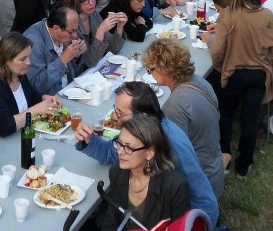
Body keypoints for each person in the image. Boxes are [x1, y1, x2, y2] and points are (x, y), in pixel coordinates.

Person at [73, 82, 218, 225]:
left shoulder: (170, 145)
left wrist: (200, 224)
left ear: (142, 117)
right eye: (115, 111)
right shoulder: (137, 135)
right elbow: (110, 153)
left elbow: (190, 197)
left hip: (189, 217)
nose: (115, 118)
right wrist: (89, 140)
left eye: (120, 113)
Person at [210, 0, 273, 177]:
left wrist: (219, 67)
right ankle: (244, 164)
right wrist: (271, 65)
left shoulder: (228, 16)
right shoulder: (266, 15)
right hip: (258, 73)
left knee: (226, 114)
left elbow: (217, 50)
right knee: (250, 118)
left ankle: (225, 155)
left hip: (233, 72)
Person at [141, 39, 223, 197]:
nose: (149, 73)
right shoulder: (200, 81)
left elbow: (167, 157)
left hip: (198, 187)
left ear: (164, 69)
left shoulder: (175, 106)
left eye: (150, 69)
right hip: (214, 171)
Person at [101, 115, 190, 231]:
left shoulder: (175, 186)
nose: (120, 152)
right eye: (119, 143)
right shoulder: (117, 173)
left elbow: (181, 228)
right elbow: (111, 221)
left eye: (128, 148)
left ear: (149, 153)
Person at [0, 33, 63, 138]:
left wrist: (45, 98)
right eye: (23, 59)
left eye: (29, 57)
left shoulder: (19, 76)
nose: (29, 62)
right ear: (6, 60)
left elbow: (32, 96)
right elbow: (4, 127)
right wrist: (36, 109)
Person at [60, 0, 125, 71]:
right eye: (85, 0)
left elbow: (113, 50)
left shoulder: (94, 15)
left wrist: (120, 27)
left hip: (95, 69)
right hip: (79, 74)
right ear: (75, 3)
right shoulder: (72, 25)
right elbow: (89, 62)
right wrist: (100, 31)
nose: (91, 3)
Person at [23, 8, 86, 96]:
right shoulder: (34, 42)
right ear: (56, 28)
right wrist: (64, 59)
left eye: (76, 30)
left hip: (69, 90)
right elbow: (36, 85)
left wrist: (76, 56)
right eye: (72, 31)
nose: (75, 35)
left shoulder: (63, 32)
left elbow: (73, 71)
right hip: (49, 100)